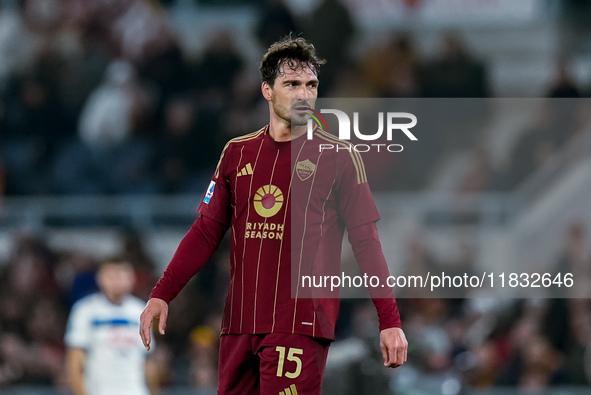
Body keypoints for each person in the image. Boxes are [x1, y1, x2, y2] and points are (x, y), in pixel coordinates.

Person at [140, 35, 407, 394]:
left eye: (311, 85)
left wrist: (389, 320)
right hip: (239, 325)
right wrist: (162, 293)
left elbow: (366, 242)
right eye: (292, 84)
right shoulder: (237, 153)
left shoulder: (339, 157)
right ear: (267, 90)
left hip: (300, 323)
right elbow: (206, 232)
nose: (304, 94)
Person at [65, 257, 159, 395]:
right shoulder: (85, 310)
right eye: (111, 275)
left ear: (132, 279)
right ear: (100, 278)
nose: (117, 281)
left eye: (122, 275)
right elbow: (75, 359)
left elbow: (148, 361)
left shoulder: (141, 310)